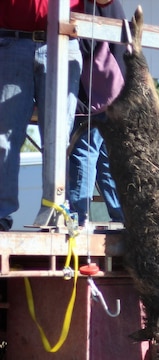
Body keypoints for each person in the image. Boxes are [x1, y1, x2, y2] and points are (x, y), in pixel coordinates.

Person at [0, 0, 113, 231]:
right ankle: (1, 214)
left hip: (63, 42)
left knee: (58, 138)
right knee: (4, 136)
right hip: (11, 41)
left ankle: (57, 210)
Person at [67, 0, 126, 226]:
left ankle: (77, 220)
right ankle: (123, 220)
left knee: (84, 152)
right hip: (116, 95)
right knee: (108, 161)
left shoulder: (88, 4)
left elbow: (88, 46)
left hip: (93, 98)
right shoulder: (112, 5)